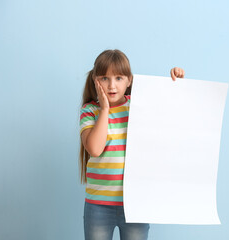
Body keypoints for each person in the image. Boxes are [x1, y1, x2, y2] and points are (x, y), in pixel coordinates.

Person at [79, 49, 185, 240]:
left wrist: (176, 81)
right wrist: (104, 109)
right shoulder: (90, 111)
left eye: (119, 78)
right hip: (98, 204)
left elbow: (170, 114)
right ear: (95, 80)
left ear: (129, 80)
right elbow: (94, 149)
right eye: (104, 78)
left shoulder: (138, 106)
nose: (111, 85)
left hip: (136, 203)